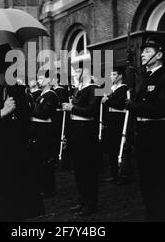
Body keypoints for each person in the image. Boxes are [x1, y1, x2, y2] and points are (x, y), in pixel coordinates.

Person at [0, 44, 45, 222]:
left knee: (18, 211)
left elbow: (26, 121)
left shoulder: (17, 91)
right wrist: (1, 113)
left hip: (16, 159)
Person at [124, 36, 165, 222]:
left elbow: (162, 107)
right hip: (143, 135)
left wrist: (134, 106)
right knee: (146, 182)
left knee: (161, 181)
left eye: (147, 51)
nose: (143, 54)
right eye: (142, 50)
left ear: (159, 54)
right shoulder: (143, 77)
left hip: (158, 136)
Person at [62, 58, 101, 216]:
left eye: (79, 71)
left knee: (88, 169)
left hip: (87, 133)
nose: (76, 74)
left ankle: (91, 204)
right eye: (75, 71)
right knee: (78, 169)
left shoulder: (94, 88)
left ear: (87, 72)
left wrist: (73, 108)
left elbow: (92, 111)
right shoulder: (77, 89)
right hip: (76, 132)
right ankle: (82, 200)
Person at [30, 70, 59, 198]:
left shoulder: (51, 95)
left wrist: (29, 111)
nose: (38, 80)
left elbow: (45, 114)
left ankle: (48, 189)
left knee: (47, 160)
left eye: (41, 78)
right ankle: (41, 186)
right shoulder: (41, 95)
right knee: (39, 159)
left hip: (46, 131)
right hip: (38, 131)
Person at [101, 66, 131, 184]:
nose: (111, 77)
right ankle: (114, 174)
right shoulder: (111, 88)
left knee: (121, 148)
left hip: (119, 120)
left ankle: (123, 174)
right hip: (110, 120)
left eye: (113, 74)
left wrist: (107, 100)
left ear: (120, 76)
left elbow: (121, 105)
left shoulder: (124, 89)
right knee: (112, 149)